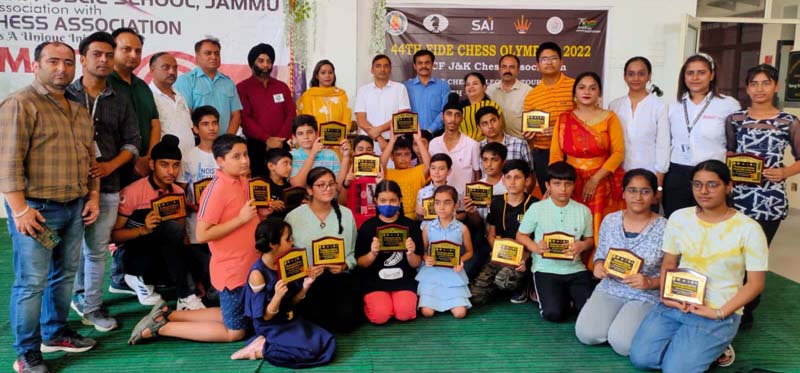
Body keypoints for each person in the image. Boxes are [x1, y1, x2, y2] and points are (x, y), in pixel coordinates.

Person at [1, 41, 100, 373]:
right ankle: (27, 353)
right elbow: (7, 163)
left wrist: (93, 195)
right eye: (53, 61)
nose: (62, 68)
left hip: (74, 207)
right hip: (36, 212)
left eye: (68, 62)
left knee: (65, 275)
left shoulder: (77, 106)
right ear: (35, 65)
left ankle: (56, 333)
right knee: (31, 282)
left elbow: (90, 157)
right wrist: (19, 211)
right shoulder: (20, 104)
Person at [630, 160, 768, 371]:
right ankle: (698, 346)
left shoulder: (749, 229)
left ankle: (718, 343)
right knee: (641, 359)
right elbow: (669, 262)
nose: (703, 191)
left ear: (728, 186)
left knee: (675, 369)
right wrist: (667, 296)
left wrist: (720, 313)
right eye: (697, 184)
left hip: (718, 310)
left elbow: (755, 284)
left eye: (712, 185)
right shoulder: (679, 217)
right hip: (678, 302)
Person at [127, 134, 260, 345]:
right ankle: (163, 327)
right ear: (220, 161)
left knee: (243, 316)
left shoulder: (242, 180)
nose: (244, 160)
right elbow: (203, 233)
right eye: (236, 156)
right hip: (232, 270)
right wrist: (241, 219)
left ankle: (169, 315)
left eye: (245, 154)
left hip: (247, 266)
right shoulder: (217, 189)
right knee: (235, 332)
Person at [67, 31, 141, 332]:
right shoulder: (64, 95)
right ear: (82, 58)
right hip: (67, 189)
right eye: (97, 54)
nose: (104, 60)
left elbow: (133, 141)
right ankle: (74, 299)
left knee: (97, 249)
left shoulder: (120, 99)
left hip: (108, 185)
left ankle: (93, 307)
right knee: (67, 251)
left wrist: (111, 165)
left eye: (109, 55)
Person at [725, 64, 800, 328]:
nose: (759, 88)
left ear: (776, 86)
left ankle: (748, 308)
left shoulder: (788, 121)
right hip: (738, 198)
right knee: (732, 253)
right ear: (747, 88)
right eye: (754, 83)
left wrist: (786, 171)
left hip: (770, 200)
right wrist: (729, 179)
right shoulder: (735, 119)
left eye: (765, 83)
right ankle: (729, 302)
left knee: (756, 255)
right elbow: (731, 154)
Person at [575, 169, 666, 356]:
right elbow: (601, 254)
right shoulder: (610, 220)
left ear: (655, 195)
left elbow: (673, 271)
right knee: (587, 334)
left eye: (645, 191)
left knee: (623, 344)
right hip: (610, 287)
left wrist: (650, 283)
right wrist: (599, 265)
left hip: (645, 295)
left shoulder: (667, 227)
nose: (638, 197)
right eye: (632, 191)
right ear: (623, 193)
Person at [111, 135, 204, 310]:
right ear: (152, 164)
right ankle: (183, 295)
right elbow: (113, 236)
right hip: (133, 254)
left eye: (175, 165)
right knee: (169, 228)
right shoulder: (133, 192)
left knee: (203, 263)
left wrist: (196, 274)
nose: (171, 171)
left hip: (164, 253)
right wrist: (143, 230)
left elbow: (179, 235)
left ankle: (179, 284)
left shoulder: (177, 192)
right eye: (164, 165)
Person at [229, 221, 335, 368]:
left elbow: (292, 301)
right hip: (270, 326)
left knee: (327, 342)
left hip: (289, 318)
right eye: (288, 239)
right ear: (273, 244)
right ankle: (262, 349)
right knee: (308, 352)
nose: (292, 242)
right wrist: (277, 297)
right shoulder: (257, 274)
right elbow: (265, 317)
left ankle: (266, 344)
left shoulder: (288, 261)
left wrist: (305, 286)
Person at [549, 71, 625, 266]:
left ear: (599, 93)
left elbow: (618, 153)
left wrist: (595, 179)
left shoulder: (610, 118)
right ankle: (568, 262)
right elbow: (556, 156)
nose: (587, 92)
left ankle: (595, 267)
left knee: (596, 223)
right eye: (582, 87)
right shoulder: (565, 118)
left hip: (600, 180)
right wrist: (555, 185)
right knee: (571, 221)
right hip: (570, 180)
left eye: (593, 88)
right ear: (575, 93)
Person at [662, 53, 741, 217]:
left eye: (701, 72)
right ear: (683, 77)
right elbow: (664, 142)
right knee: (678, 223)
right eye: (690, 73)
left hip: (713, 173)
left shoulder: (728, 105)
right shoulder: (672, 105)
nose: (695, 78)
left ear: (711, 75)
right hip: (677, 173)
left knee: (713, 223)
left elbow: (736, 144)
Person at [516, 162, 595, 322]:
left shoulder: (583, 211)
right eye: (557, 183)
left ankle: (567, 296)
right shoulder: (537, 208)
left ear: (574, 185)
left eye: (568, 184)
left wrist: (582, 245)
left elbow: (590, 241)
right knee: (554, 314)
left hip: (575, 269)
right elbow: (521, 235)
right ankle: (538, 289)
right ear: (548, 185)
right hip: (545, 268)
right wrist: (535, 247)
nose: (563, 189)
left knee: (587, 315)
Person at [285, 167, 361, 332]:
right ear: (309, 190)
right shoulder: (294, 217)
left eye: (331, 184)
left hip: (339, 277)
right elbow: (287, 253)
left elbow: (353, 251)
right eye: (321, 185)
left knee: (347, 323)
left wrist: (344, 265)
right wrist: (305, 271)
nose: (328, 189)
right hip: (308, 280)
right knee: (313, 322)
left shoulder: (346, 214)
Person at [470, 160, 537, 306]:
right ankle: (496, 284)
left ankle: (523, 285)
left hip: (524, 258)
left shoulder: (535, 205)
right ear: (503, 180)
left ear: (527, 180)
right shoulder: (497, 203)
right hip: (500, 255)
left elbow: (538, 240)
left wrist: (524, 258)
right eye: (508, 177)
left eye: (517, 177)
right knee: (476, 297)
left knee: (505, 280)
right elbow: (491, 235)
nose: (512, 182)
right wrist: (498, 251)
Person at [356, 181, 424, 324]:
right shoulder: (367, 227)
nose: (388, 204)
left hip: (404, 280)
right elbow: (360, 263)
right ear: (375, 200)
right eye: (383, 200)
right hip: (375, 281)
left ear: (400, 200)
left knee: (404, 314)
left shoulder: (410, 225)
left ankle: (395, 304)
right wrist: (372, 253)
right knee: (380, 316)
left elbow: (416, 263)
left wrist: (410, 253)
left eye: (393, 200)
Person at [608, 57, 669, 208]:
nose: (636, 78)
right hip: (620, 176)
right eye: (631, 74)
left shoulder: (659, 106)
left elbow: (663, 146)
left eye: (641, 74)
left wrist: (659, 185)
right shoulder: (614, 105)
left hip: (649, 178)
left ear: (649, 76)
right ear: (624, 77)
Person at [176, 105, 220, 299]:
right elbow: (179, 192)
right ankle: (201, 284)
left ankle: (217, 287)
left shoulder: (226, 154)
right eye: (205, 124)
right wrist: (190, 205)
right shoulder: (189, 157)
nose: (211, 128)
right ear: (195, 129)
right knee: (200, 257)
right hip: (197, 220)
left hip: (223, 222)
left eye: (214, 123)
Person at [523, 42, 575, 194]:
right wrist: (528, 136)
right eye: (544, 59)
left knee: (573, 195)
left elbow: (586, 120)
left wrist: (560, 130)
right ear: (537, 65)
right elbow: (528, 128)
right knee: (549, 196)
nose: (549, 62)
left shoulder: (575, 87)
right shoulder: (532, 96)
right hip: (543, 153)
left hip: (571, 151)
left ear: (561, 62)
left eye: (553, 58)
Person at [108, 28, 160, 180]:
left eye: (138, 51)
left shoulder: (143, 86)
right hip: (112, 169)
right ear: (112, 50)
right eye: (127, 49)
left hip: (145, 168)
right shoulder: (104, 83)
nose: (134, 55)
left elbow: (155, 123)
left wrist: (149, 158)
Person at [237, 43, 296, 177]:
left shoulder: (281, 87)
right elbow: (245, 118)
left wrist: (278, 141)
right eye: (261, 61)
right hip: (255, 147)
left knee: (283, 186)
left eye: (269, 61)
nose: (265, 65)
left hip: (281, 146)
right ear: (252, 63)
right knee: (259, 186)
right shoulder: (242, 88)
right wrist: (267, 139)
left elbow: (291, 115)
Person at [417, 185, 474, 318]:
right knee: (427, 312)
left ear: (455, 205)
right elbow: (423, 251)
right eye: (437, 203)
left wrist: (461, 260)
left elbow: (470, 252)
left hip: (453, 273)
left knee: (460, 313)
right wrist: (426, 258)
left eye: (447, 202)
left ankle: (451, 302)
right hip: (432, 274)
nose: (441, 207)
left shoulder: (462, 228)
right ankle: (434, 301)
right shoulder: (427, 227)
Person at [175, 38, 243, 135]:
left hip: (224, 142)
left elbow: (236, 115)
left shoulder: (228, 82)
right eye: (208, 53)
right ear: (197, 57)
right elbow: (185, 114)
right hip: (197, 141)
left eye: (217, 53)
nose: (213, 57)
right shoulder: (186, 80)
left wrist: (227, 140)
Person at [355, 54, 410, 153]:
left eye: (386, 66)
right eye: (378, 66)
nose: (382, 69)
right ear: (372, 70)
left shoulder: (400, 88)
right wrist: (380, 138)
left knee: (392, 169)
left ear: (390, 69)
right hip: (368, 144)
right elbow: (361, 120)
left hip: (394, 142)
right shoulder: (363, 90)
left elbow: (402, 118)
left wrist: (378, 130)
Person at [428, 93, 481, 194]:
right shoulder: (434, 143)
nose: (452, 119)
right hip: (439, 202)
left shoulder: (472, 145)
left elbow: (477, 175)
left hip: (463, 202)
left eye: (457, 115)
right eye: (449, 114)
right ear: (442, 117)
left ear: (462, 118)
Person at [149, 51, 195, 157]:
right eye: (166, 67)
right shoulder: (148, 96)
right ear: (152, 70)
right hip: (165, 163)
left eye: (175, 68)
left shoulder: (179, 96)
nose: (172, 71)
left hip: (188, 162)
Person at [289, 114, 350, 187]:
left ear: (317, 134)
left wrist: (346, 157)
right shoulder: (291, 156)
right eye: (300, 133)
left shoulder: (331, 154)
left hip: (329, 196)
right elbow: (297, 185)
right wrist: (312, 155)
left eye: (310, 132)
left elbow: (338, 187)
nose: (306, 137)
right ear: (294, 137)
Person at [381, 130, 432, 220]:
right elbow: (379, 166)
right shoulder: (387, 173)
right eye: (398, 155)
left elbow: (429, 165)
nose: (403, 158)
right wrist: (392, 141)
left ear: (411, 155)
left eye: (406, 154)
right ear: (392, 157)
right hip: (393, 218)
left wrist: (418, 140)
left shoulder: (417, 170)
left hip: (415, 220)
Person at [404, 49, 450, 135]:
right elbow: (403, 112)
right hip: (411, 136)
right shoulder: (405, 87)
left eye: (427, 62)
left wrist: (430, 130)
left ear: (432, 65)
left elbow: (445, 111)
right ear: (415, 66)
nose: (424, 66)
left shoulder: (443, 86)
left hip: (436, 135)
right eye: (420, 63)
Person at [486, 54, 533, 139]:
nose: (507, 70)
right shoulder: (490, 90)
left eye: (512, 67)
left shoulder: (528, 91)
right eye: (504, 67)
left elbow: (534, 119)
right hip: (495, 143)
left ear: (518, 70)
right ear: (499, 70)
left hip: (519, 143)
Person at [477, 106, 534, 174]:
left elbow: (530, 175)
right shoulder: (478, 148)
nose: (490, 126)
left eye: (493, 121)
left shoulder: (519, 144)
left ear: (500, 120)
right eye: (485, 124)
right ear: (479, 128)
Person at [298, 59, 352, 131]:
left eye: (330, 72)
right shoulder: (308, 96)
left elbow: (347, 119)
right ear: (317, 76)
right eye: (323, 73)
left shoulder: (341, 94)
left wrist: (338, 135)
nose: (327, 76)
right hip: (314, 139)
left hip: (338, 138)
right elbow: (306, 121)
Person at [340, 135, 380, 228]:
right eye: (360, 149)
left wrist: (380, 183)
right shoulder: (348, 173)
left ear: (373, 153)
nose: (365, 152)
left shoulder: (379, 174)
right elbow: (341, 202)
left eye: (368, 149)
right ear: (354, 153)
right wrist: (346, 183)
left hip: (374, 224)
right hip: (354, 225)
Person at [416, 153, 463, 223]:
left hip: (449, 230)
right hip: (427, 231)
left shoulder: (457, 192)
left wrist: (451, 217)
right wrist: (419, 212)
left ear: (449, 171)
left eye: (441, 169)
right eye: (433, 168)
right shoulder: (422, 192)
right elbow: (419, 217)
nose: (436, 172)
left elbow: (463, 214)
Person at [459, 72, 504, 142]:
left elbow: (500, 130)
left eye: (475, 83)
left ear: (484, 87)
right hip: (463, 147)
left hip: (487, 146)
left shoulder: (492, 106)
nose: (471, 87)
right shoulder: (459, 108)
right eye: (468, 84)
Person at [264, 148, 294, 220]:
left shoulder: (290, 188)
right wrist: (268, 204)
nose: (290, 168)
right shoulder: (261, 184)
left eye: (291, 164)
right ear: (271, 166)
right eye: (285, 163)